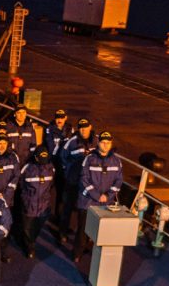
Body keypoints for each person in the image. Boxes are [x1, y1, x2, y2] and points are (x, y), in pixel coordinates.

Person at [75, 130, 123, 261]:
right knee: (82, 230)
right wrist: (97, 195)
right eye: (103, 142)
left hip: (105, 203)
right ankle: (77, 254)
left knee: (101, 231)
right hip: (87, 202)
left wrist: (108, 195)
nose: (106, 145)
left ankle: (95, 253)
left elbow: (118, 181)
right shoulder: (89, 159)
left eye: (108, 143)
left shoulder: (116, 161)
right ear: (98, 143)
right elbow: (84, 179)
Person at [59, 118, 97, 252]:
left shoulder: (96, 141)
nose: (83, 130)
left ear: (90, 127)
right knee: (68, 207)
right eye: (81, 127)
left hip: (89, 183)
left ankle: (86, 237)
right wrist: (69, 171)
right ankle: (62, 232)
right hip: (73, 181)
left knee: (86, 211)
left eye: (86, 127)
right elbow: (63, 157)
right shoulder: (71, 142)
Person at [18, 146, 55, 259]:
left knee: (38, 226)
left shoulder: (51, 168)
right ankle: (30, 247)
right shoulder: (27, 168)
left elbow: (51, 184)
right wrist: (25, 199)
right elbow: (21, 184)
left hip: (43, 206)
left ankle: (32, 240)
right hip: (30, 204)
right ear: (35, 158)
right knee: (27, 228)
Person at [45, 109, 72, 230]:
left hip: (63, 166)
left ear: (66, 118)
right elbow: (51, 148)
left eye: (61, 117)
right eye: (57, 117)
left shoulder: (70, 130)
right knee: (47, 190)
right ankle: (42, 213)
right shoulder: (49, 129)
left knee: (62, 193)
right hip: (52, 164)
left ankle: (59, 217)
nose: (59, 120)